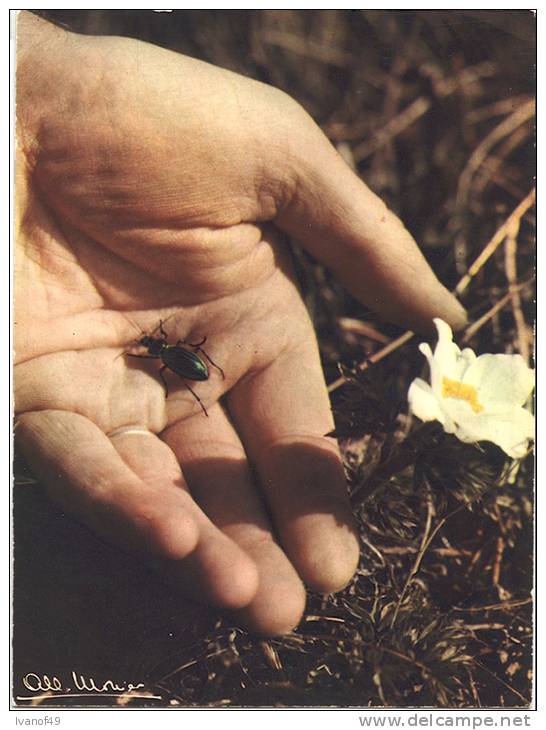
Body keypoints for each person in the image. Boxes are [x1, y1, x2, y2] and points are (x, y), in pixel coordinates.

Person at [14, 11, 466, 636]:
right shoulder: (167, 353)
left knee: (195, 390)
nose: (147, 346)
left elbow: (180, 356)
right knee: (191, 405)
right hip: (191, 365)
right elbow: (177, 356)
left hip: (192, 365)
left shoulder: (170, 352)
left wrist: (26, 70)